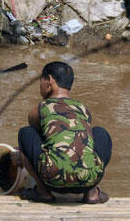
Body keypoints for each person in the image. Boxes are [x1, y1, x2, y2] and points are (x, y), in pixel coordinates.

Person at [17, 61, 112, 203]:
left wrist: (20, 155)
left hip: (52, 180)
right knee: (100, 133)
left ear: (49, 81)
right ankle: (91, 193)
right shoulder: (83, 108)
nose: (40, 87)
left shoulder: (38, 110)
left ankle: (43, 193)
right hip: (89, 179)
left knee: (25, 132)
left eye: (41, 81)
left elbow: (39, 141)